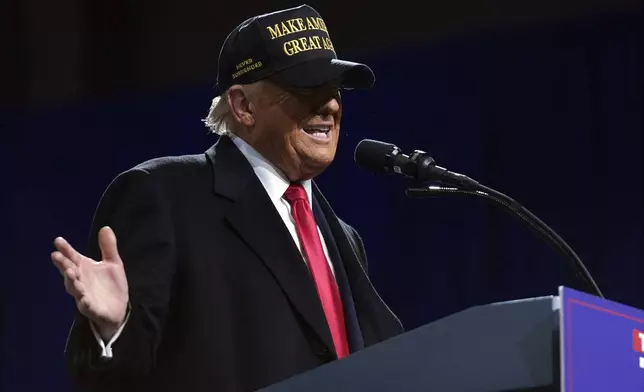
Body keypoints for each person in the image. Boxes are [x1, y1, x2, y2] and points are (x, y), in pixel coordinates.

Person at [50, 4, 404, 392]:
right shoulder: (163, 196)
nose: (330, 104)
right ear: (243, 106)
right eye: (306, 88)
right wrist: (113, 329)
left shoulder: (342, 237)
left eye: (334, 88)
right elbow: (108, 379)